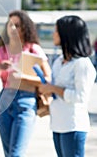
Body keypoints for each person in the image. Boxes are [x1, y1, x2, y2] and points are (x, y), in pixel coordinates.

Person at [0, 10, 52, 156]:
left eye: (17, 25)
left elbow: (47, 80)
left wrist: (21, 77)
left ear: (25, 28)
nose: (12, 29)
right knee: (9, 153)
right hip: (4, 102)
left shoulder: (33, 49)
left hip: (26, 101)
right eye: (10, 25)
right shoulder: (0, 52)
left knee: (16, 154)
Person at [38, 15, 96, 157]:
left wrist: (53, 88)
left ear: (67, 34)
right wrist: (47, 88)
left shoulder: (82, 64)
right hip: (57, 124)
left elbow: (80, 97)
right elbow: (57, 89)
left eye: (56, 31)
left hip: (73, 126)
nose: (53, 34)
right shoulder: (58, 61)